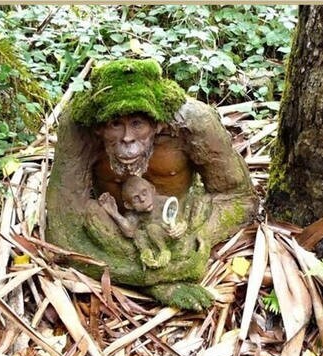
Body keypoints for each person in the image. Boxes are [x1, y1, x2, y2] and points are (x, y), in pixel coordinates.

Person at [46, 58, 259, 310]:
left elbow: (239, 198)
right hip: (119, 230)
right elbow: (62, 227)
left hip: (178, 226)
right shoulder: (79, 125)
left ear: (158, 124)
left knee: (197, 213)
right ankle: (157, 279)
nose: (127, 138)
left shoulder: (194, 123)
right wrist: (156, 276)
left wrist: (199, 237)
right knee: (92, 218)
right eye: (116, 124)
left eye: (137, 124)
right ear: (99, 129)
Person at [98, 175, 187, 269]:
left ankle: (164, 252)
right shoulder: (134, 214)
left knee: (152, 228)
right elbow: (129, 232)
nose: (142, 199)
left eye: (144, 193)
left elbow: (180, 220)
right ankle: (146, 255)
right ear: (128, 205)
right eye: (136, 198)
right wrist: (114, 213)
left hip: (167, 236)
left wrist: (180, 227)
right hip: (150, 241)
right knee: (138, 234)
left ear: (152, 189)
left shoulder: (164, 202)